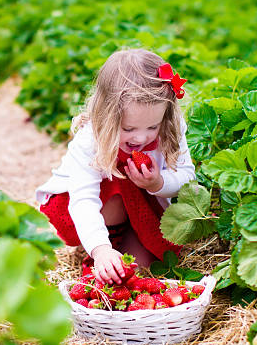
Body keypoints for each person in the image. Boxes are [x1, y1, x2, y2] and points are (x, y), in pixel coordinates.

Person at [36, 49, 196, 285]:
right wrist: (100, 249)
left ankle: (120, 248)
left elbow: (186, 175)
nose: (141, 138)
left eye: (152, 127)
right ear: (107, 116)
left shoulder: (170, 127)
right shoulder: (91, 139)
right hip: (80, 205)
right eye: (129, 129)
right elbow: (84, 200)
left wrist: (158, 183)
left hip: (141, 205)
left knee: (139, 269)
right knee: (118, 180)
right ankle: (100, 252)